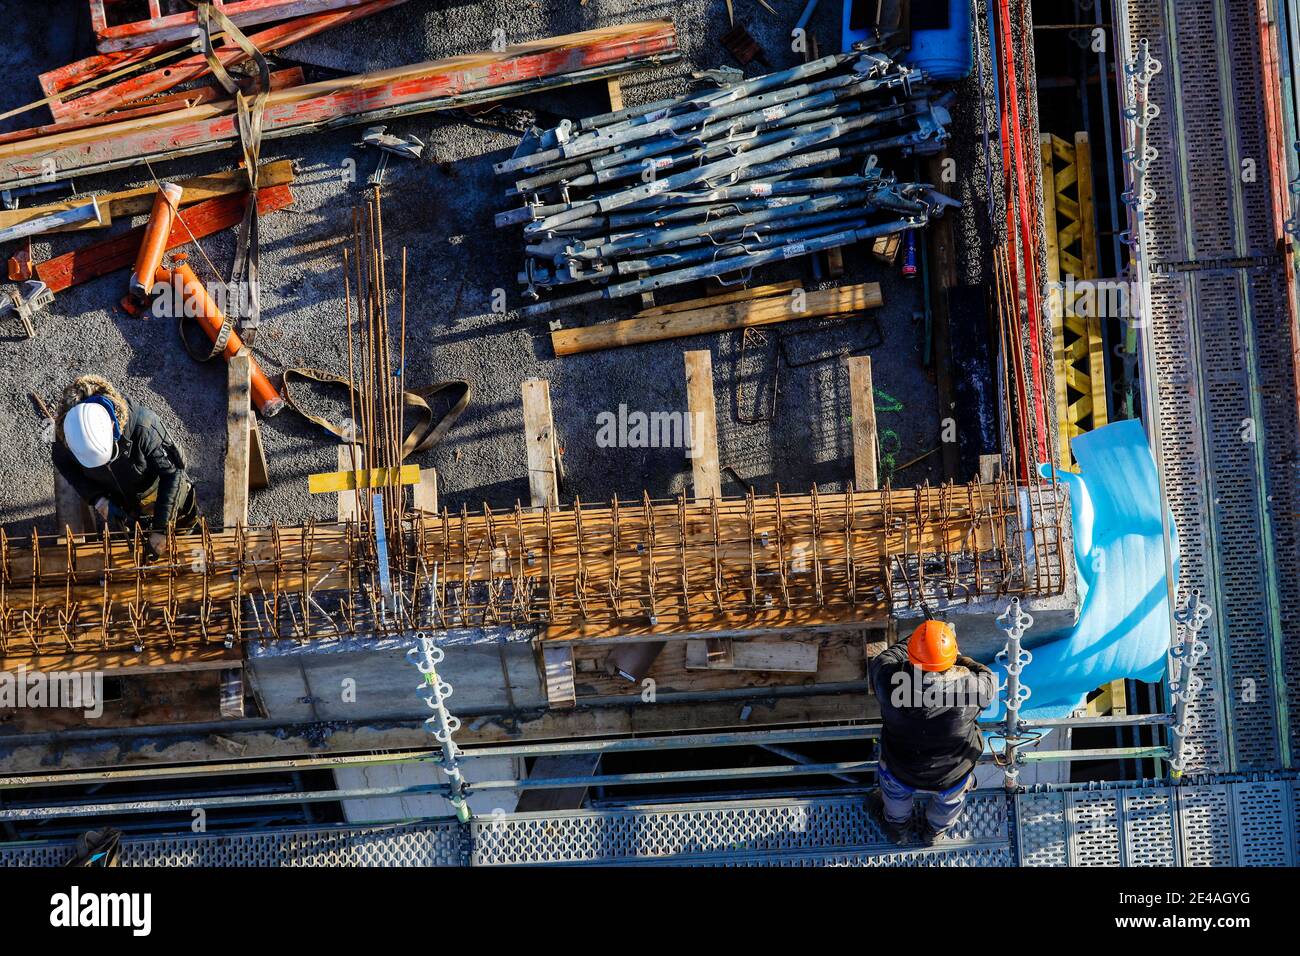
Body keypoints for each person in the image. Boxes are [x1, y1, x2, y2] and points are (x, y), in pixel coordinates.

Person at [866, 619, 996, 845]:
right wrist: (954, 656)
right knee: (949, 803)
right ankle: (934, 833)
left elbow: (884, 659)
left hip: (902, 767)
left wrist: (920, 644)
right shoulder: (970, 689)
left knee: (895, 796)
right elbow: (987, 677)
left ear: (912, 655)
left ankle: (898, 829)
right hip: (952, 773)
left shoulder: (888, 682)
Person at [51, 376, 199, 558]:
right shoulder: (66, 436)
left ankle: (188, 530)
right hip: (125, 502)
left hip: (158, 491)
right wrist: (99, 500)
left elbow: (174, 472)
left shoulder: (143, 425)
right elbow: (64, 466)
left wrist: (161, 529)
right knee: (137, 532)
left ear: (113, 426)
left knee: (186, 528)